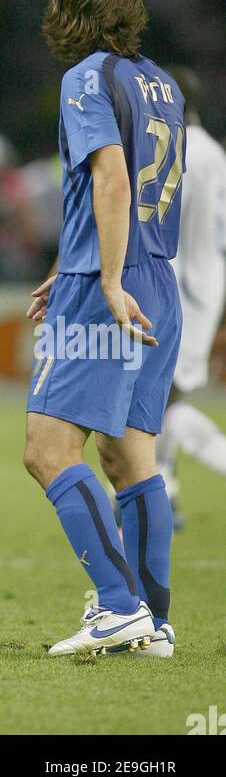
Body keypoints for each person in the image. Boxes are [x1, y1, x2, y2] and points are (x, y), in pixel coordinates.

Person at [24, 0, 184, 658]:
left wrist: (102, 280)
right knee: (130, 456)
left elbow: (112, 182)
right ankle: (153, 620)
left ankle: (117, 606)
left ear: (70, 10)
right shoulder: (162, 84)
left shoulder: (84, 77)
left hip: (110, 289)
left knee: (47, 450)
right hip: (159, 283)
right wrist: (69, 265)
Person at [156, 67, 226, 524]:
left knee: (160, 400)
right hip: (209, 287)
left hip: (174, 287)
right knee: (163, 398)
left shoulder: (173, 151)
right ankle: (162, 495)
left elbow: (160, 225)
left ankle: (157, 495)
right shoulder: (217, 155)